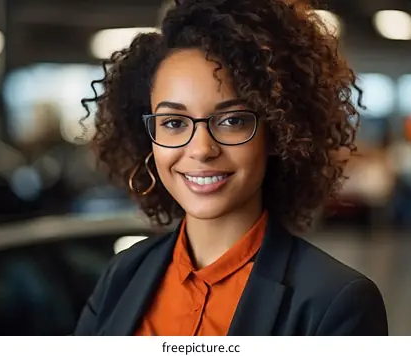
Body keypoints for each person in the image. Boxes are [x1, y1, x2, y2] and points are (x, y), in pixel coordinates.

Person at [74, 0, 388, 336]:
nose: (201, 149)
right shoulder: (123, 274)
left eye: (232, 120)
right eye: (174, 123)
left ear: (278, 134)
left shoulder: (336, 302)